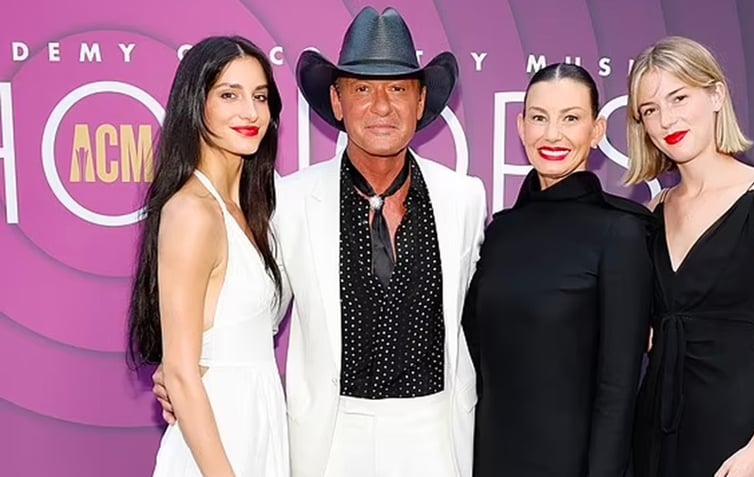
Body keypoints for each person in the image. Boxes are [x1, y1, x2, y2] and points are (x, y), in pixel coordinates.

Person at [154, 7, 486, 477]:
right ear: (337, 100)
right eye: (363, 89)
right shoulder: (286, 202)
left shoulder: (465, 199)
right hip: (329, 442)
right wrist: (182, 371)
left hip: (436, 434)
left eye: (397, 88)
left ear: (420, 100)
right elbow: (247, 311)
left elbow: (482, 317)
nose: (382, 106)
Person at [626, 36, 754, 477]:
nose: (666, 118)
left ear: (715, 94)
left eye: (678, 97)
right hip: (649, 429)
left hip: (735, 435)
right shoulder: (653, 211)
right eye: (650, 109)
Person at [461, 63, 654, 477]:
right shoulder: (500, 230)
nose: (552, 135)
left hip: (571, 464)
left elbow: (617, 389)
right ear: (521, 125)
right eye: (539, 118)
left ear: (597, 130)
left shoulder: (620, 231)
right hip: (490, 457)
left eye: (571, 118)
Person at [127, 36, 290, 476]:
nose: (250, 112)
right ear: (195, 104)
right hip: (217, 442)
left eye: (259, 96)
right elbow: (180, 372)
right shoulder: (193, 211)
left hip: (256, 424)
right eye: (229, 94)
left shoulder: (252, 210)